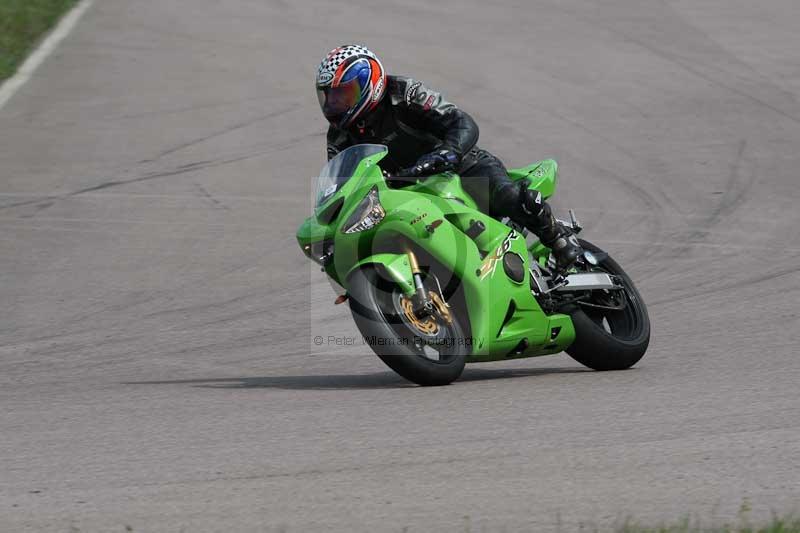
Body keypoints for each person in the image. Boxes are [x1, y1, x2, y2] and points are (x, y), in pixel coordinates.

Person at [315, 44, 582, 269]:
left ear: (368, 84)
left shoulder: (403, 92)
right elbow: (343, 185)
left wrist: (449, 152)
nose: (334, 105)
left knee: (506, 195)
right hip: (407, 197)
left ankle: (557, 237)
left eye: (343, 94)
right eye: (329, 97)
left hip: (459, 168)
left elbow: (461, 122)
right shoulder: (339, 137)